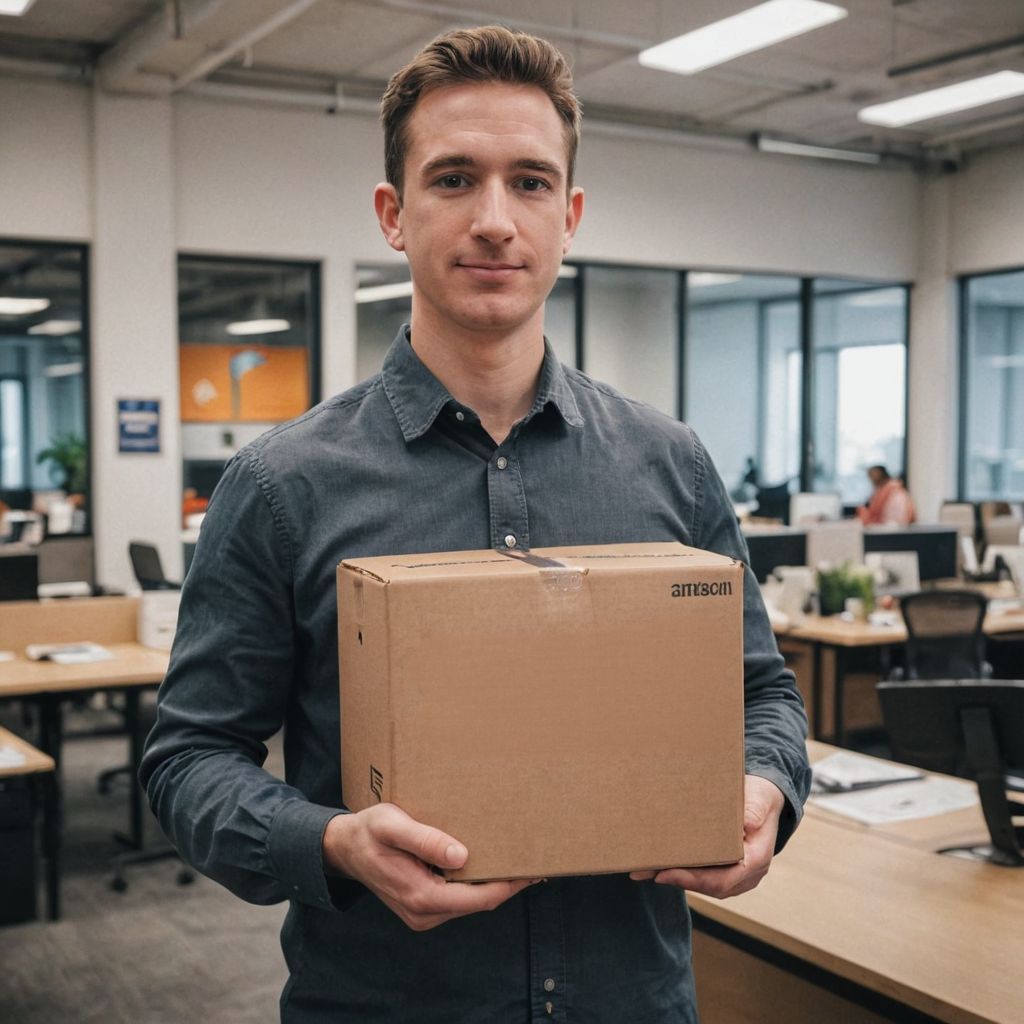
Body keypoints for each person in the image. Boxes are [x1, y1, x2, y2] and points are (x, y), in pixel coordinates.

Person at [141, 25, 810, 1022]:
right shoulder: (283, 485)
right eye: (453, 178)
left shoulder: (668, 463)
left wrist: (764, 790)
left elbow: (762, 691)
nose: (496, 219)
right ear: (393, 214)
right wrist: (331, 843)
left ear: (570, 215)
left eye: (530, 182)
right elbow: (188, 761)